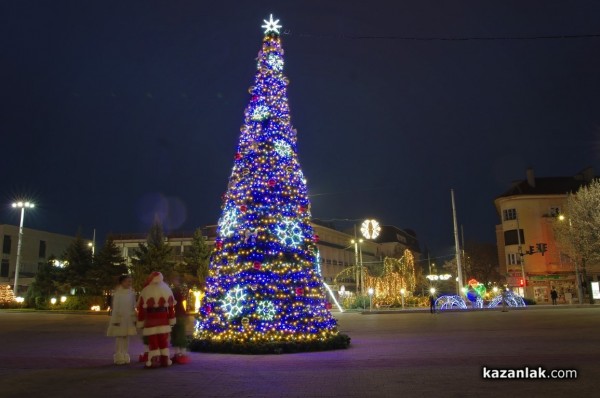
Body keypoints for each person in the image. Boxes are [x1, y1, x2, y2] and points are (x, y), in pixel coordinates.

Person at [137, 271, 176, 368]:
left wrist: (141, 321)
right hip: (163, 318)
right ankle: (165, 360)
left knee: (153, 340)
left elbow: (141, 309)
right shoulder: (166, 289)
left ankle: (154, 361)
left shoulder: (146, 290)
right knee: (163, 340)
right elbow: (171, 308)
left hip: (151, 319)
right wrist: (171, 319)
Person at [106, 274, 137, 365]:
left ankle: (125, 354)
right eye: (128, 281)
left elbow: (133, 306)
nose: (129, 283)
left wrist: (134, 317)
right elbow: (115, 307)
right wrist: (116, 320)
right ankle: (119, 355)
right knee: (120, 337)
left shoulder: (131, 293)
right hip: (120, 318)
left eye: (130, 281)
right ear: (122, 282)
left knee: (126, 336)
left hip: (129, 318)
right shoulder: (118, 293)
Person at [170, 274, 191, 364]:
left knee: (179, 333)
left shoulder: (176, 291)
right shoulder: (175, 291)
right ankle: (178, 353)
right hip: (176, 314)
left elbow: (180, 302)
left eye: (176, 280)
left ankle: (181, 353)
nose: (175, 282)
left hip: (178, 314)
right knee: (176, 333)